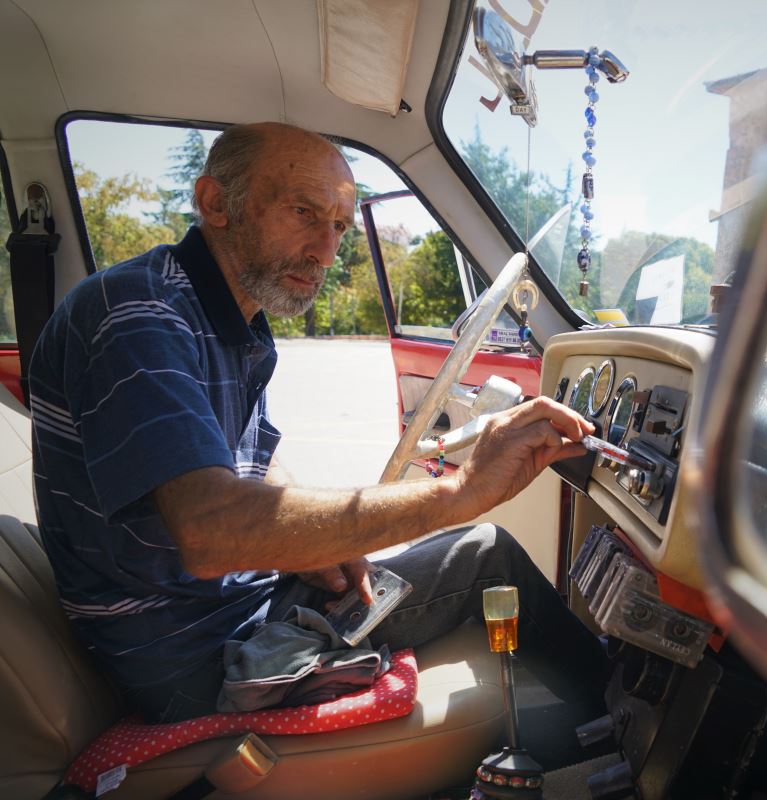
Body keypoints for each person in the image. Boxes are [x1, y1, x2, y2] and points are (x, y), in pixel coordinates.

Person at [27, 122, 607, 726]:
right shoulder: (138, 316)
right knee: (488, 554)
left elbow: (254, 462)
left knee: (481, 555)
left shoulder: (225, 317)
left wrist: (320, 546)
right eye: (304, 212)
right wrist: (456, 493)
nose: (326, 252)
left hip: (240, 607)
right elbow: (210, 533)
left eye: (337, 227)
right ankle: (621, 741)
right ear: (215, 204)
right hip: (199, 657)